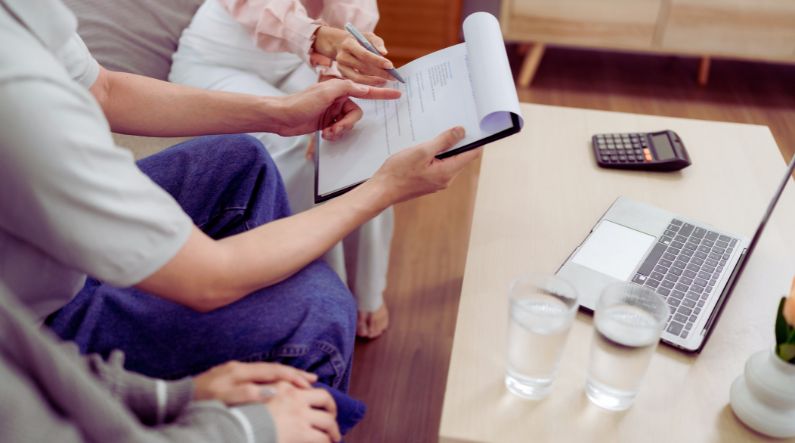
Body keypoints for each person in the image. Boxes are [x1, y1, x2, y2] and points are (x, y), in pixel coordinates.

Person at [0, 0, 478, 436]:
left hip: (46, 257)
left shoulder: (28, 15)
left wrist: (282, 115)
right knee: (323, 309)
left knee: (241, 160)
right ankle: (281, 392)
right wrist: (384, 187)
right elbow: (207, 276)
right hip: (35, 325)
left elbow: (102, 88)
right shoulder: (18, 92)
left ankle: (252, 335)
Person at [169, 0, 396, 339]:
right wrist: (322, 40)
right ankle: (323, 295)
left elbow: (354, 27)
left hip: (295, 62)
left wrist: (340, 78)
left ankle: (368, 289)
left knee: (357, 138)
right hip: (217, 61)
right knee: (303, 151)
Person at [0, 281, 343, 442]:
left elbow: (37, 362)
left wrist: (176, 394)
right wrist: (246, 429)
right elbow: (211, 274)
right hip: (56, 311)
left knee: (244, 163)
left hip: (51, 311)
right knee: (320, 316)